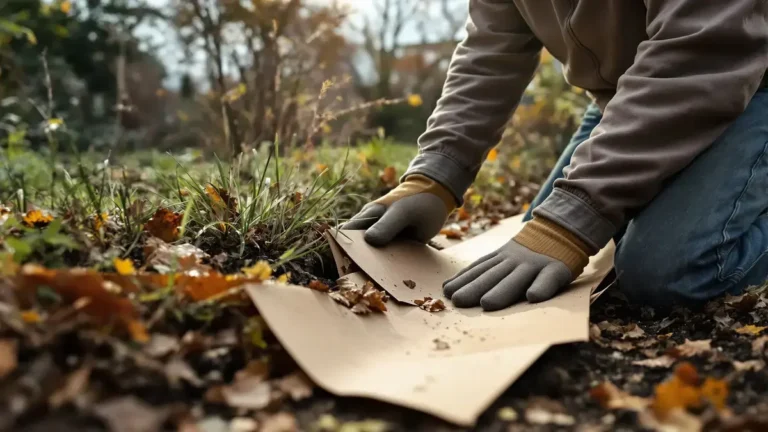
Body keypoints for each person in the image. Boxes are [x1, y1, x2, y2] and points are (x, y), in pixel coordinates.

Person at [342, 0, 768, 312]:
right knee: (540, 246)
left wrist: (575, 218)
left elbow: (705, 51)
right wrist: (436, 174)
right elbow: (490, 51)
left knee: (665, 273)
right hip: (628, 97)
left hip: (745, 79)